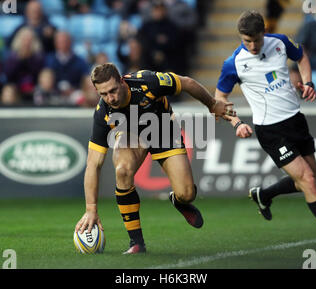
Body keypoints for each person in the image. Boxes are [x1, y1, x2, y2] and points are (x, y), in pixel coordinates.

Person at [215, 11, 316, 245]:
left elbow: (301, 57)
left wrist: (309, 82)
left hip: (295, 120)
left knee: (313, 177)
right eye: (246, 41)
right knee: (308, 182)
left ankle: (264, 194)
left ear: (265, 32)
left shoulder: (280, 42)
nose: (252, 46)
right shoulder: (234, 63)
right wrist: (236, 122)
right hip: (270, 130)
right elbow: (219, 99)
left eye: (256, 40)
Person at [75, 63, 234, 254]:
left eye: (113, 90)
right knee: (122, 169)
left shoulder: (147, 82)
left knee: (187, 194)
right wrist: (91, 208)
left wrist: (212, 104)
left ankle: (179, 201)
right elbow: (93, 164)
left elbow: (187, 83)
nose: (111, 98)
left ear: (122, 81)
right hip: (130, 136)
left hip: (163, 130)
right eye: (104, 94)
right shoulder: (103, 112)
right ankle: (136, 242)